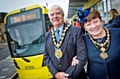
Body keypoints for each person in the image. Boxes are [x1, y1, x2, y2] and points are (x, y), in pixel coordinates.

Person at [72, 7, 120, 79]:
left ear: (101, 21)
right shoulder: (82, 40)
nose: (93, 26)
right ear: (84, 27)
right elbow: (75, 54)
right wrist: (73, 59)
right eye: (88, 24)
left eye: (96, 21)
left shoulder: (117, 33)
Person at [44, 5, 87, 79]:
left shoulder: (76, 31)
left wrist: (67, 75)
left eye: (58, 13)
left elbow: (82, 56)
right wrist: (56, 73)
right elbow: (46, 56)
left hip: (76, 76)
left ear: (63, 15)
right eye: (52, 14)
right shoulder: (47, 35)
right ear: (49, 18)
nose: (55, 16)